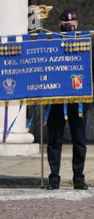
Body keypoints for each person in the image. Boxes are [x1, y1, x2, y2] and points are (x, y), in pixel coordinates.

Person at [46, 9, 89, 190]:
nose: (69, 28)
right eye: (65, 25)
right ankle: (54, 179)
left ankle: (78, 178)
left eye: (72, 25)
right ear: (60, 25)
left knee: (79, 141)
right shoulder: (52, 42)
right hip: (57, 99)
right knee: (54, 141)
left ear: (77, 24)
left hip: (78, 99)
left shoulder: (86, 43)